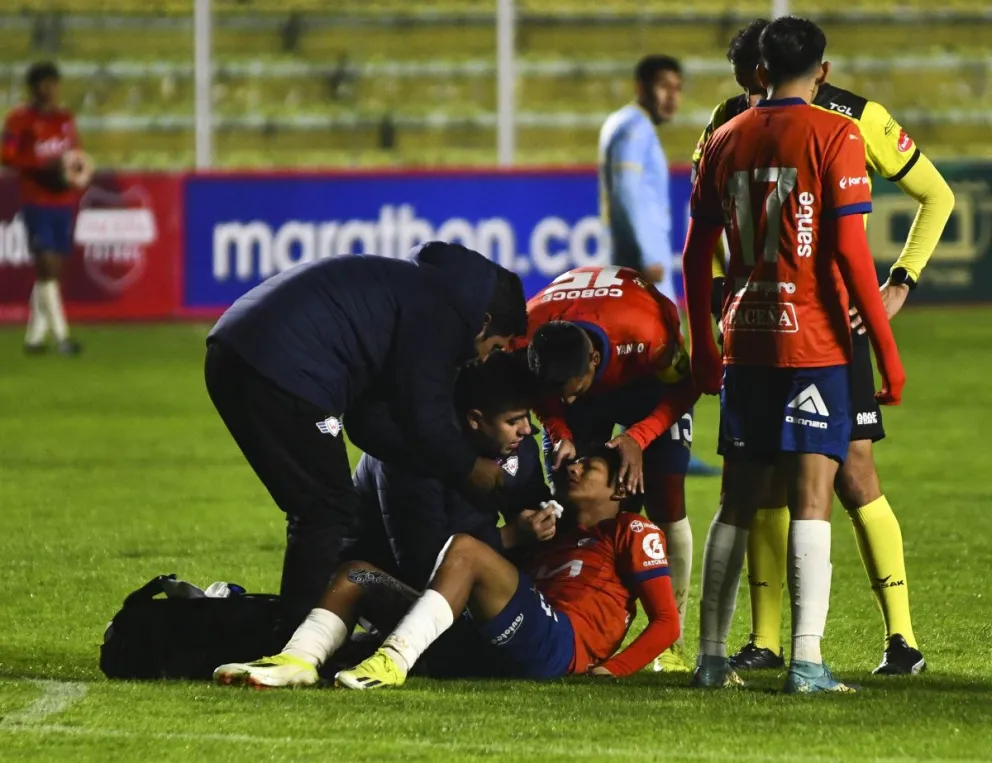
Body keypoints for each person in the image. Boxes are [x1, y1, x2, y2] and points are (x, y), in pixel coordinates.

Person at [694, 19, 952, 675]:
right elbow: (717, 223)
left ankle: (901, 638)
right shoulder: (727, 123)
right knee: (770, 483)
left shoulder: (855, 120)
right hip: (772, 324)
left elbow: (936, 194)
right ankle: (770, 641)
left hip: (835, 328)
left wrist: (902, 282)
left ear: (764, 69)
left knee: (852, 471)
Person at [205, 242, 528, 623]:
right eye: (494, 347)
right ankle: (291, 642)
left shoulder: (422, 288)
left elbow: (366, 422)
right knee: (326, 509)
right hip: (280, 366)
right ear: (485, 321)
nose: (485, 359)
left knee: (322, 507)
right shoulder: (444, 311)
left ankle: (288, 632)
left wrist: (431, 464)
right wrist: (468, 466)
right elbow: (426, 417)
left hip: (235, 351)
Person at [214, 446, 680, 688]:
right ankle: (297, 660)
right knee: (357, 573)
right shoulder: (550, 530)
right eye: (575, 462)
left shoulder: (633, 531)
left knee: (468, 550)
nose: (574, 468)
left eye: (589, 468)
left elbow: (667, 623)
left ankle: (391, 662)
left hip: (559, 646)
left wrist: (612, 671)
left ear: (619, 489)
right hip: (490, 641)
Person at [515, 264, 698, 673]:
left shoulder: (649, 334)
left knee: (667, 500)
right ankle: (555, 606)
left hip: (648, 385)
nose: (571, 401)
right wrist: (559, 428)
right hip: (580, 367)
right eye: (561, 394)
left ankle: (673, 641)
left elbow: (691, 384)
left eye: (573, 391)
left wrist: (641, 435)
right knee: (570, 495)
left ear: (595, 360)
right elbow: (543, 393)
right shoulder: (529, 335)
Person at [343, 350, 558, 590]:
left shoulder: (514, 442)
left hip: (460, 553)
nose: (527, 429)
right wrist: (508, 536)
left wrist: (546, 515)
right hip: (376, 576)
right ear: (475, 419)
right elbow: (421, 564)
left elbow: (529, 497)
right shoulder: (413, 456)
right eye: (513, 421)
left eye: (527, 416)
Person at [2, 61, 85, 355]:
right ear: (33, 87)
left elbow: (75, 155)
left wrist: (76, 176)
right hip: (36, 201)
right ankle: (62, 337)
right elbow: (6, 156)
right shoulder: (19, 120)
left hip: (63, 202)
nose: (48, 88)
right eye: (42, 83)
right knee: (47, 266)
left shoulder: (65, 119)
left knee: (52, 272)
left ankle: (34, 338)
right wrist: (40, 166)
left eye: (52, 82)